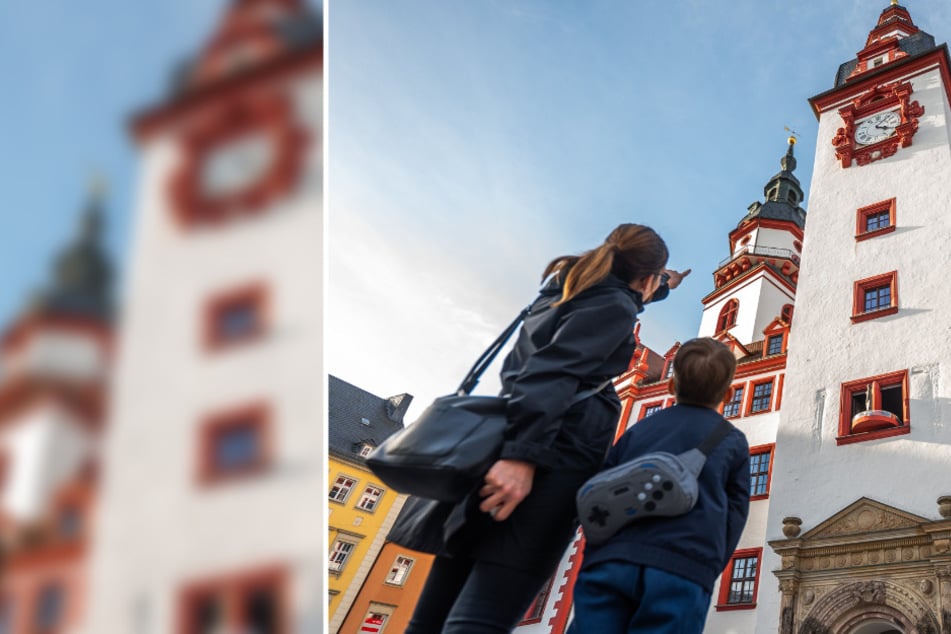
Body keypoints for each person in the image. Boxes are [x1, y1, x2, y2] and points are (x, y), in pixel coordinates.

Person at [404, 223, 690, 634]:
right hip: (548, 464)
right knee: (481, 619)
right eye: (654, 280)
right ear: (644, 276)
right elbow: (551, 372)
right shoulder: (613, 306)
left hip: (503, 449)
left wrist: (665, 284)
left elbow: (547, 359)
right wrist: (522, 458)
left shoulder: (566, 289)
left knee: (430, 617)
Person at [567, 337, 751, 634]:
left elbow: (603, 480)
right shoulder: (732, 441)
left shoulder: (639, 428)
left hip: (612, 561)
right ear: (728, 395)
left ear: (670, 386)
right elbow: (737, 512)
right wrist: (709, 564)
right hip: (681, 569)